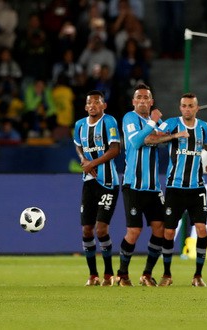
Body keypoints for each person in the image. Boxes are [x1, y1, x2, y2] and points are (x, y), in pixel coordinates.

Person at [156, 93, 207, 287]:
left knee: (201, 230)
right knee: (168, 232)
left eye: (191, 105)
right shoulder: (172, 123)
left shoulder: (203, 127)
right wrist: (174, 135)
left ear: (196, 108)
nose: (187, 109)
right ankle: (166, 274)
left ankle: (198, 275)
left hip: (196, 187)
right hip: (174, 187)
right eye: (184, 105)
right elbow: (152, 138)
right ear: (180, 108)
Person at [116, 83, 188, 287]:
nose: (142, 100)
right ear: (133, 101)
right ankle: (122, 274)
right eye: (138, 97)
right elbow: (138, 141)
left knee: (161, 228)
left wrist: (170, 134)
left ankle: (146, 274)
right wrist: (153, 124)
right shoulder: (129, 118)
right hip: (133, 185)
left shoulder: (157, 122)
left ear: (151, 101)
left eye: (146, 97)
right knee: (134, 231)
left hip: (153, 188)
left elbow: (160, 138)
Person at [73, 90, 121, 286]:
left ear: (104, 106)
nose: (92, 105)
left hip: (108, 183)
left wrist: (93, 163)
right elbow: (78, 146)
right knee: (86, 230)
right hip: (89, 183)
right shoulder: (79, 125)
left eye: (96, 102)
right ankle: (93, 275)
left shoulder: (109, 122)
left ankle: (109, 274)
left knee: (101, 229)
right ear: (85, 107)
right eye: (89, 103)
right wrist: (84, 160)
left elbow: (115, 149)